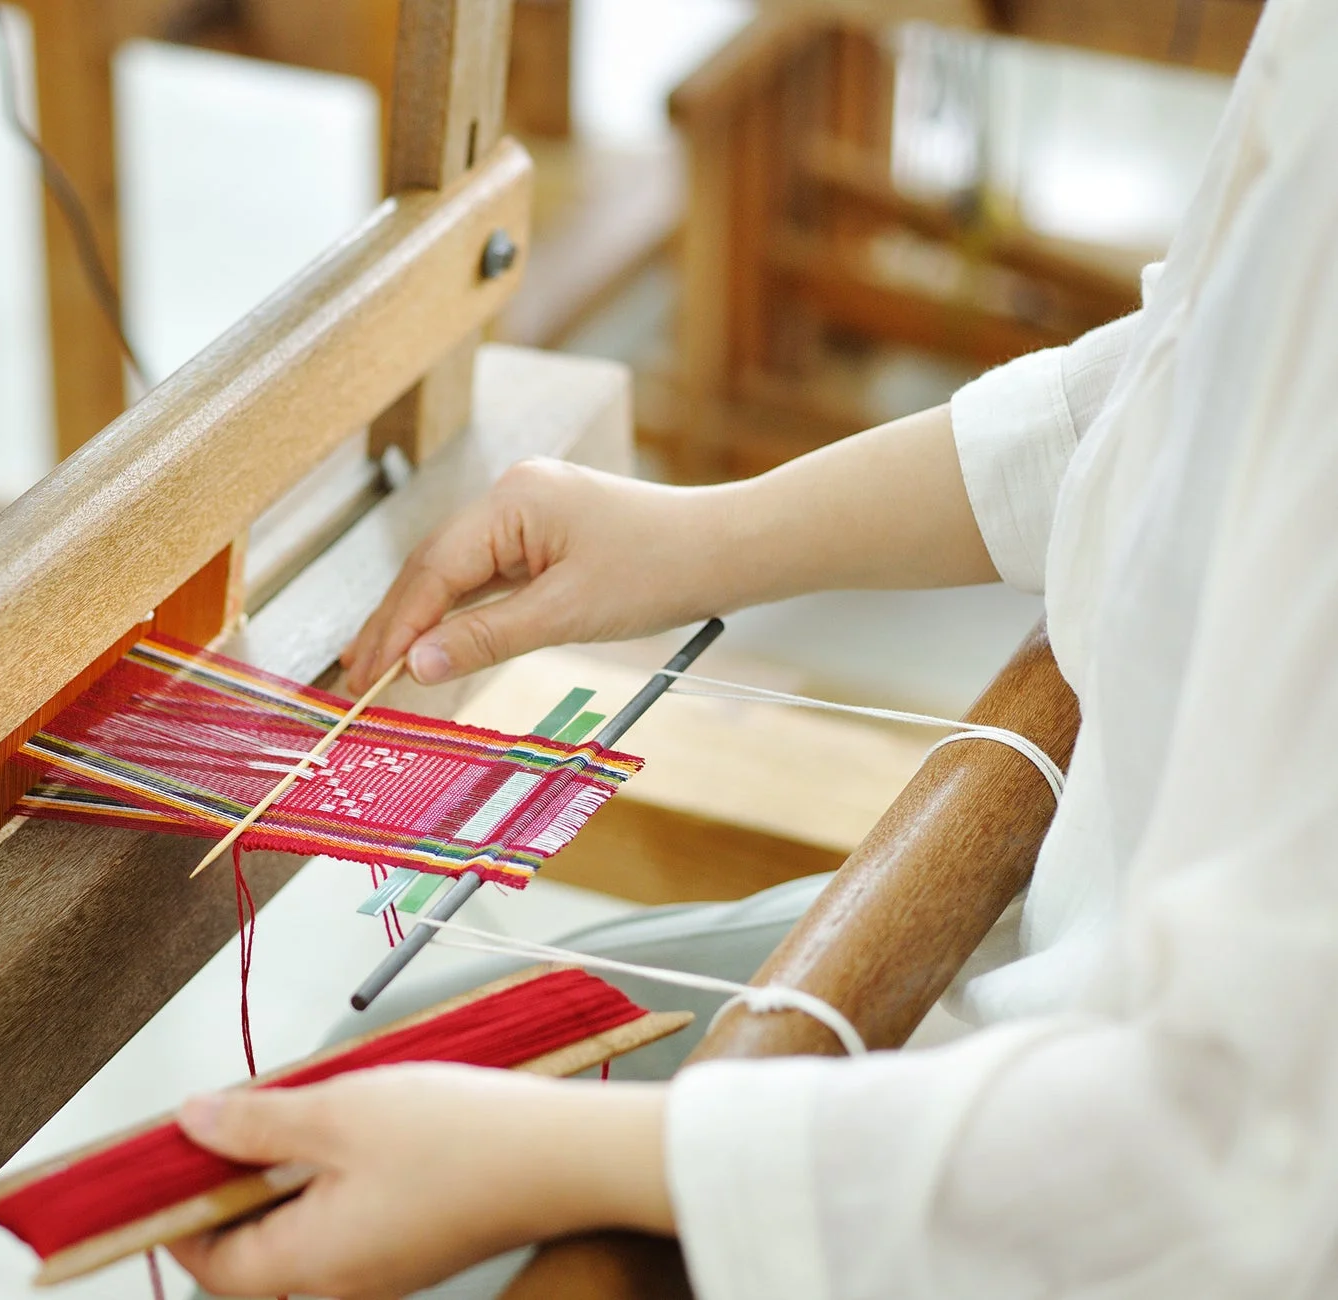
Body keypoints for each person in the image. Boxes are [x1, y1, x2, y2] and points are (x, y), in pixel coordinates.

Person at [166, 0, 1338, 1295]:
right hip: (1089, 973)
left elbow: (1232, 1162)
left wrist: (547, 1159)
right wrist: (695, 537)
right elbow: (1181, 393)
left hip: (1114, 1169)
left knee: (348, 1152)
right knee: (388, 1059)